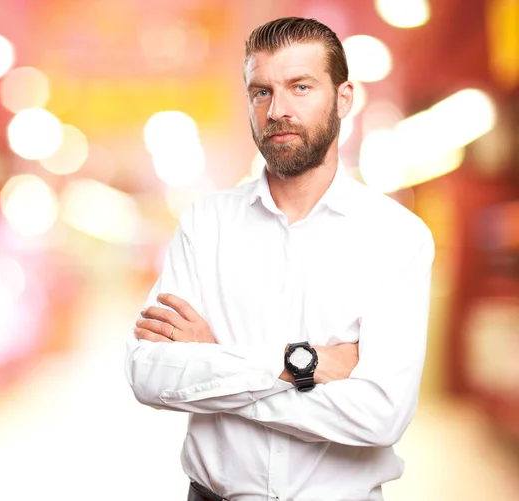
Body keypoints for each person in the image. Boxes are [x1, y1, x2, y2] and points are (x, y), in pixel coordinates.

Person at [125, 16, 434, 501]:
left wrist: (215, 364)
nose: (277, 110)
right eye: (261, 92)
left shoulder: (398, 237)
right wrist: (302, 364)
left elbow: (382, 414)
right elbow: (148, 373)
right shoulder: (205, 226)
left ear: (344, 98)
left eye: (301, 87)